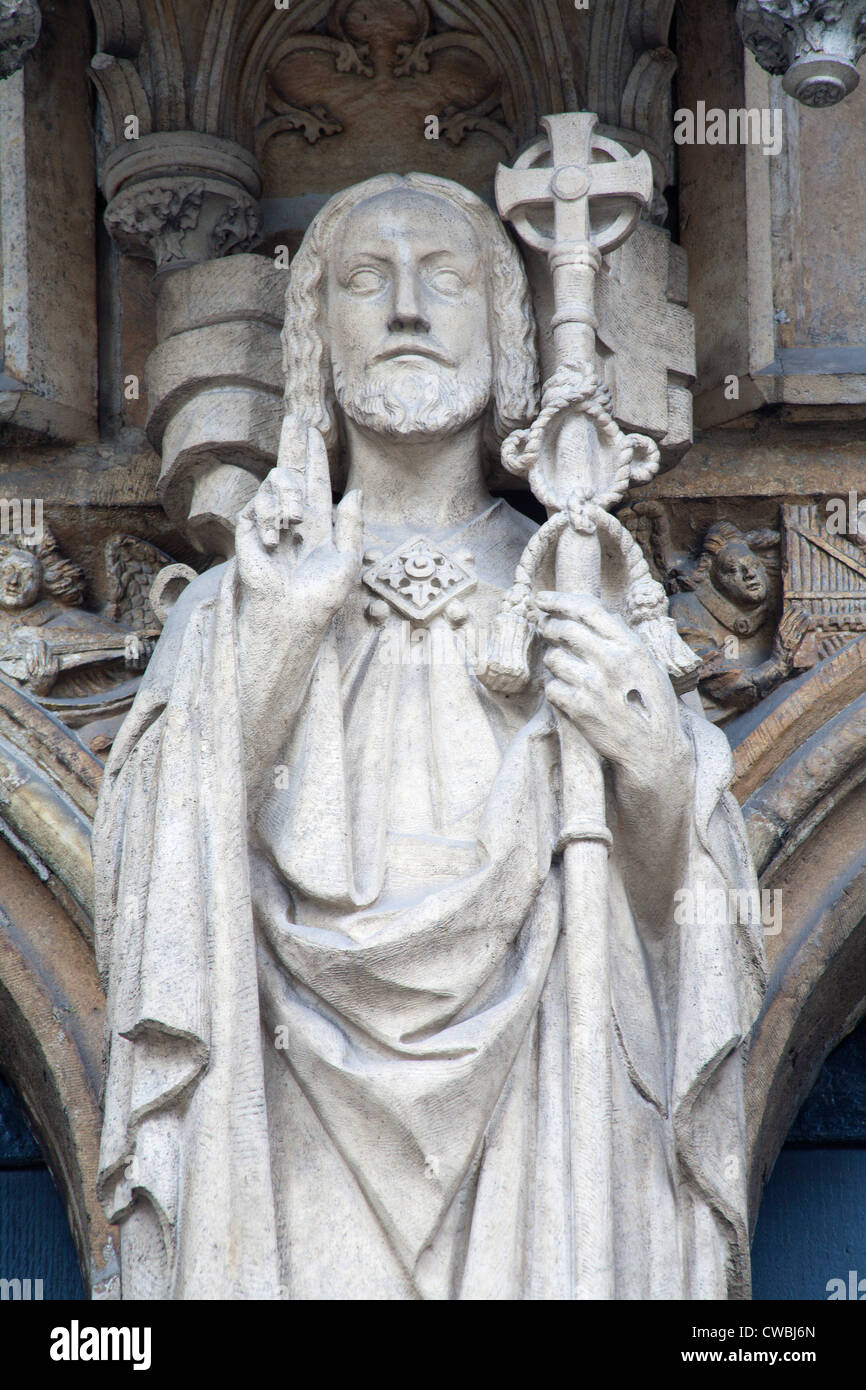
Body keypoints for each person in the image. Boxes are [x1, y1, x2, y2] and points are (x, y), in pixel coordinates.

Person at [95, 173, 765, 1300]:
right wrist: (281, 639)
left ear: (505, 336)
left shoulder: (584, 592)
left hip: (547, 1110)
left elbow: (690, 923)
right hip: (288, 1115)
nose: (406, 310)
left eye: (443, 279)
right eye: (366, 280)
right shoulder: (235, 607)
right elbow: (152, 893)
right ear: (315, 340)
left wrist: (647, 763)